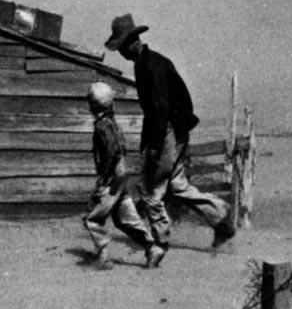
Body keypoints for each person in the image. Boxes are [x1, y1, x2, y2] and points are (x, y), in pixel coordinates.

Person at [104, 14, 235, 266]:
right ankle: (220, 218)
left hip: (167, 131)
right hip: (175, 129)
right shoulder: (150, 62)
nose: (121, 53)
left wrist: (153, 147)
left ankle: (160, 243)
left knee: (152, 191)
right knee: (177, 186)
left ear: (131, 42)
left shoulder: (149, 67)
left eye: (121, 47)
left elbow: (159, 109)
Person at [80, 82, 153, 270]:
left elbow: (111, 152)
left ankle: (103, 257)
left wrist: (104, 178)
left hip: (112, 176)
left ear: (92, 105)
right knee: (125, 217)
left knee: (93, 217)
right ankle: (151, 247)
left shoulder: (101, 126)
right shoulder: (114, 124)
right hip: (122, 175)